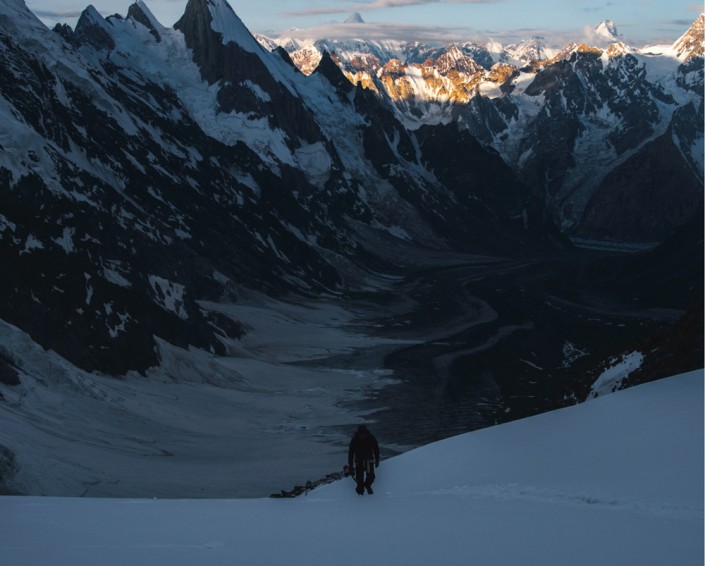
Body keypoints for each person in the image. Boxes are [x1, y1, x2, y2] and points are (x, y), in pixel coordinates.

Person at [347, 425, 380, 495]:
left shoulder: (370, 438)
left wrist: (377, 459)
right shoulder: (355, 439)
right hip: (359, 461)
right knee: (360, 480)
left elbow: (376, 449)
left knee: (370, 477)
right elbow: (351, 453)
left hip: (368, 461)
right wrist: (351, 466)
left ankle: (366, 486)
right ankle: (361, 493)